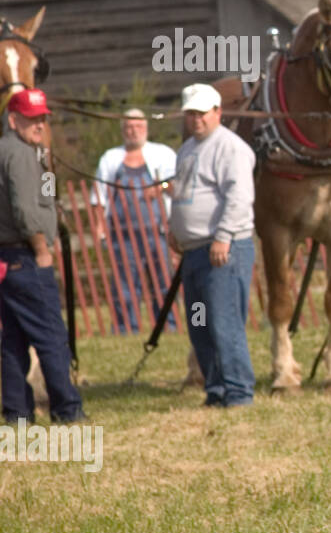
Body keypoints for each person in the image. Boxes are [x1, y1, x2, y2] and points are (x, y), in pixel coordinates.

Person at [167, 83, 257, 408]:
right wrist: (173, 227)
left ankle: (239, 392)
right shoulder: (187, 149)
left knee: (224, 322)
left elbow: (239, 196)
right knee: (200, 324)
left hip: (222, 252)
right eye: (191, 113)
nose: (196, 120)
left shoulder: (230, 148)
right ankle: (216, 389)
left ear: (217, 112)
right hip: (194, 252)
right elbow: (183, 193)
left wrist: (223, 236)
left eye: (202, 113)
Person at [0, 87, 86, 424]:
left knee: (13, 339)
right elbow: (23, 209)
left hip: (7, 259)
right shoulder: (20, 154)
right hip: (26, 254)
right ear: (13, 119)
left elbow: (45, 194)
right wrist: (41, 246)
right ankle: (67, 409)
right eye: (31, 119)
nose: (39, 125)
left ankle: (18, 413)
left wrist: (52, 207)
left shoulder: (32, 153)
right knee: (50, 335)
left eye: (42, 119)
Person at [90, 107, 176, 333]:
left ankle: (168, 326)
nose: (133, 131)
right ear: (122, 130)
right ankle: (125, 328)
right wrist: (99, 227)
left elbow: (178, 184)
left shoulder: (163, 154)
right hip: (123, 234)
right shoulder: (111, 158)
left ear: (146, 128)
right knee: (124, 286)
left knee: (163, 282)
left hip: (157, 232)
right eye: (128, 126)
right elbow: (99, 195)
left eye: (138, 126)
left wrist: (160, 187)